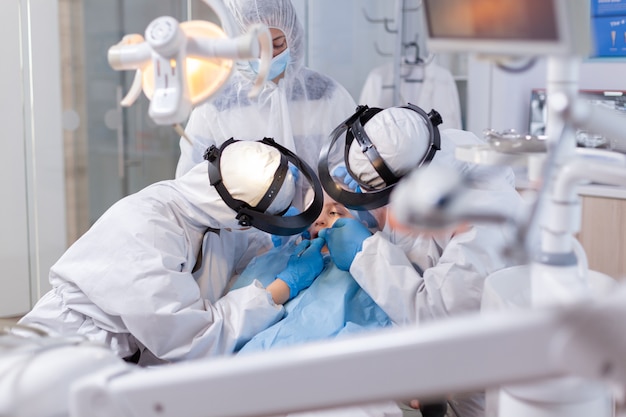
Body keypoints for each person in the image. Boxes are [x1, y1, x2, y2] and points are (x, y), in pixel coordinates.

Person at [18, 139, 326, 366]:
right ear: (242, 217)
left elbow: (241, 250)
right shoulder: (145, 229)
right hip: (62, 353)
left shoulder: (212, 215)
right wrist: (280, 288)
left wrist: (280, 246)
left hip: (122, 360)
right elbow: (193, 340)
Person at [318, 104, 526, 417]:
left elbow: (434, 312)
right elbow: (414, 234)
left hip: (482, 383)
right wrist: (369, 209)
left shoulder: (488, 226)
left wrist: (366, 255)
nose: (329, 217)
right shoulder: (434, 148)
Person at [176, 0, 357, 200]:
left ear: (293, 37)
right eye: (254, 46)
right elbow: (192, 186)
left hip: (320, 227)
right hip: (241, 228)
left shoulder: (328, 96)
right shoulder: (214, 106)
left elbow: (349, 163)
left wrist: (349, 181)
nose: (267, 57)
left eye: (277, 44)